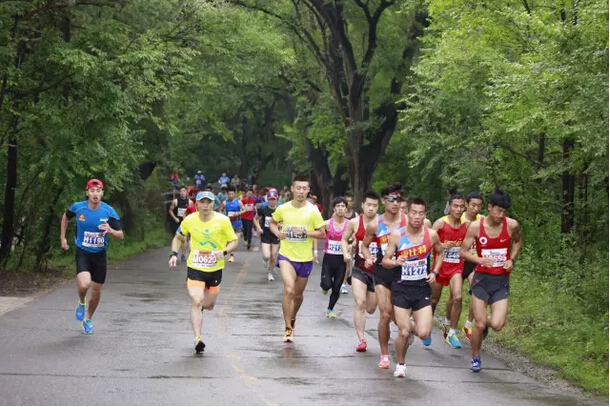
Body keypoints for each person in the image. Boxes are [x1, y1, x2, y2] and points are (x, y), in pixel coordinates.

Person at [460, 188, 522, 372]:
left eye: (504, 211)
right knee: (479, 324)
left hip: (501, 280)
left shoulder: (511, 225)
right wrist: (479, 260)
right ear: (489, 207)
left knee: (496, 324)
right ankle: (476, 357)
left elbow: (518, 241)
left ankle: (481, 324)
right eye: (497, 210)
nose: (500, 215)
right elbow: (463, 252)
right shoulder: (475, 227)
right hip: (481, 279)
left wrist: (511, 258)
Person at [169, 191, 238, 353]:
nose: (205, 205)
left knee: (208, 305)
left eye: (209, 202)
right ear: (197, 204)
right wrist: (173, 254)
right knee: (197, 300)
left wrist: (224, 252)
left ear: (214, 204)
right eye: (202, 202)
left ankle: (199, 310)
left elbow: (234, 241)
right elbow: (178, 237)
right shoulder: (189, 220)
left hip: (215, 268)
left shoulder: (223, 220)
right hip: (195, 267)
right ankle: (197, 339)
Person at [382, 197, 443, 378]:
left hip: (421, 288)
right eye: (414, 213)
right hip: (401, 288)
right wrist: (395, 262)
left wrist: (435, 271)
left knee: (424, 333)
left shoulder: (431, 235)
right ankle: (401, 364)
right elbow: (384, 261)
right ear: (406, 213)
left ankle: (412, 329)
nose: (417, 217)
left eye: (421, 213)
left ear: (425, 215)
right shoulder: (397, 235)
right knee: (404, 331)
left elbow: (440, 253)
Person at [60, 179, 124, 334]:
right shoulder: (78, 208)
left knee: (96, 291)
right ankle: (82, 302)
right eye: (92, 191)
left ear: (102, 193)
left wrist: (111, 230)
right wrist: (63, 238)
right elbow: (65, 217)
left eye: (98, 191)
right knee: (84, 285)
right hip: (83, 252)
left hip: (100, 255)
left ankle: (87, 319)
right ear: (87, 193)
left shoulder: (108, 211)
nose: (95, 194)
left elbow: (121, 235)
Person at [269, 175, 325, 342]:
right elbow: (272, 222)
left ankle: (293, 319)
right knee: (288, 290)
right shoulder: (283, 208)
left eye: (304, 188)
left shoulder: (313, 211)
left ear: (308, 191)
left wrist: (305, 232)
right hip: (287, 255)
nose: (301, 191)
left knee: (298, 296)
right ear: (292, 189)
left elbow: (322, 233)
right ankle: (287, 328)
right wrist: (277, 232)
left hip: (305, 258)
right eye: (298, 188)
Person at [361, 182, 407, 369]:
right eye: (391, 199)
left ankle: (405, 333)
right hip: (382, 272)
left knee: (400, 317)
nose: (395, 203)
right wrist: (368, 257)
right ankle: (384, 354)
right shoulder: (375, 224)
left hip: (403, 274)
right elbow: (364, 245)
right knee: (385, 314)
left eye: (398, 199)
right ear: (383, 201)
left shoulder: (407, 221)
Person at [341, 191, 380, 352]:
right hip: (360, 268)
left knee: (371, 308)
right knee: (360, 303)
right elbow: (344, 238)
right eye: (368, 205)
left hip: (377, 271)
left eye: (375, 205)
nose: (371, 209)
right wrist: (346, 253)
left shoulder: (383, 224)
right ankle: (361, 339)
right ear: (363, 205)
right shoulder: (355, 222)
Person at [430, 193, 468, 349]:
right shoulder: (440, 223)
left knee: (458, 297)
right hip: (439, 266)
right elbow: (426, 242)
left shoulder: (467, 226)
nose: (458, 210)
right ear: (449, 206)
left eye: (461, 206)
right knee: (433, 300)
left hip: (455, 268)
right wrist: (441, 245)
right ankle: (426, 326)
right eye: (455, 206)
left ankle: (451, 332)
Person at [318, 197, 350, 318]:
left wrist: (350, 247)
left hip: (341, 260)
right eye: (338, 206)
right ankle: (324, 287)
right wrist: (315, 251)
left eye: (343, 206)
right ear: (334, 208)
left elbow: (354, 240)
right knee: (327, 284)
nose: (340, 209)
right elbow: (319, 235)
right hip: (329, 258)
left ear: (346, 209)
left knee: (337, 286)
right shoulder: (327, 223)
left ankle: (330, 309)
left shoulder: (349, 224)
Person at [460, 191, 484, 339]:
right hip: (459, 262)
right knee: (455, 297)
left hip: (475, 262)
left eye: (479, 206)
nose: (476, 209)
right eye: (473, 205)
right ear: (466, 205)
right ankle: (448, 325)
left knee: (477, 293)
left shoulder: (483, 220)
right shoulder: (459, 218)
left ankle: (468, 325)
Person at [254, 190, 281, 281]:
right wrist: (258, 227)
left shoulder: (280, 209)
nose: (272, 201)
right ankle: (265, 260)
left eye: (274, 199)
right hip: (265, 234)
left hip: (276, 234)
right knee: (267, 255)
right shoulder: (263, 208)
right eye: (270, 199)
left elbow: (285, 220)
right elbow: (255, 219)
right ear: (268, 199)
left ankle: (270, 273)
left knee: (273, 255)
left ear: (277, 199)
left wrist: (281, 226)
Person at [169, 186, 193, 261]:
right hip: (177, 221)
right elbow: (170, 210)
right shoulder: (175, 201)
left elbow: (192, 213)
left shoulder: (190, 202)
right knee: (176, 237)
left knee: (184, 239)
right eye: (181, 191)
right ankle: (173, 252)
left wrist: (189, 219)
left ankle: (183, 254)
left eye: (184, 191)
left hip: (185, 222)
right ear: (179, 192)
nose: (182, 193)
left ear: (186, 192)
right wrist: (175, 218)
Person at [224, 186, 245, 263]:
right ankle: (231, 255)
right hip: (228, 224)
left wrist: (238, 213)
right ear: (227, 194)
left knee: (236, 242)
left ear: (234, 194)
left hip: (238, 223)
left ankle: (230, 252)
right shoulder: (225, 202)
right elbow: (220, 211)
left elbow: (245, 209)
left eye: (232, 194)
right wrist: (225, 217)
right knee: (230, 241)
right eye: (229, 194)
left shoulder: (238, 202)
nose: (230, 196)